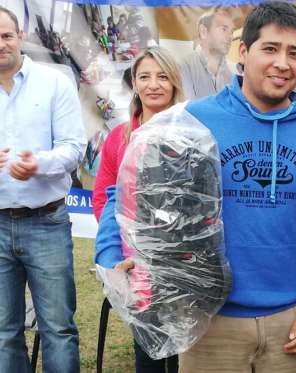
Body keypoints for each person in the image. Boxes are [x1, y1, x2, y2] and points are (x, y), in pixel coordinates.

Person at [180, 2, 296, 372]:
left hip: (292, 318)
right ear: (244, 52)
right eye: (270, 48)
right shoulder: (196, 120)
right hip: (210, 317)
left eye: (294, 53)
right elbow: (157, 208)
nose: (282, 63)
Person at [0, 6, 85, 372]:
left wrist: (38, 165)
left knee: (58, 329)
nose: (0, 43)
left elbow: (73, 148)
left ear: (21, 38)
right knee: (3, 331)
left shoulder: (54, 83)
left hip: (46, 222)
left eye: (6, 35)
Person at [93, 47, 185, 373]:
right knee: (148, 352)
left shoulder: (191, 133)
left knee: (186, 354)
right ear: (134, 82)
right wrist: (113, 257)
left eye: (162, 76)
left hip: (182, 264)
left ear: (175, 82)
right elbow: (105, 200)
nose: (153, 84)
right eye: (144, 76)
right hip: (135, 268)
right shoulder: (119, 138)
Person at [181, 8, 234, 99]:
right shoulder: (184, 66)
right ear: (203, 32)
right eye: (224, 29)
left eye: (232, 31)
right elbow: (188, 110)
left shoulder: (233, 72)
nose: (230, 37)